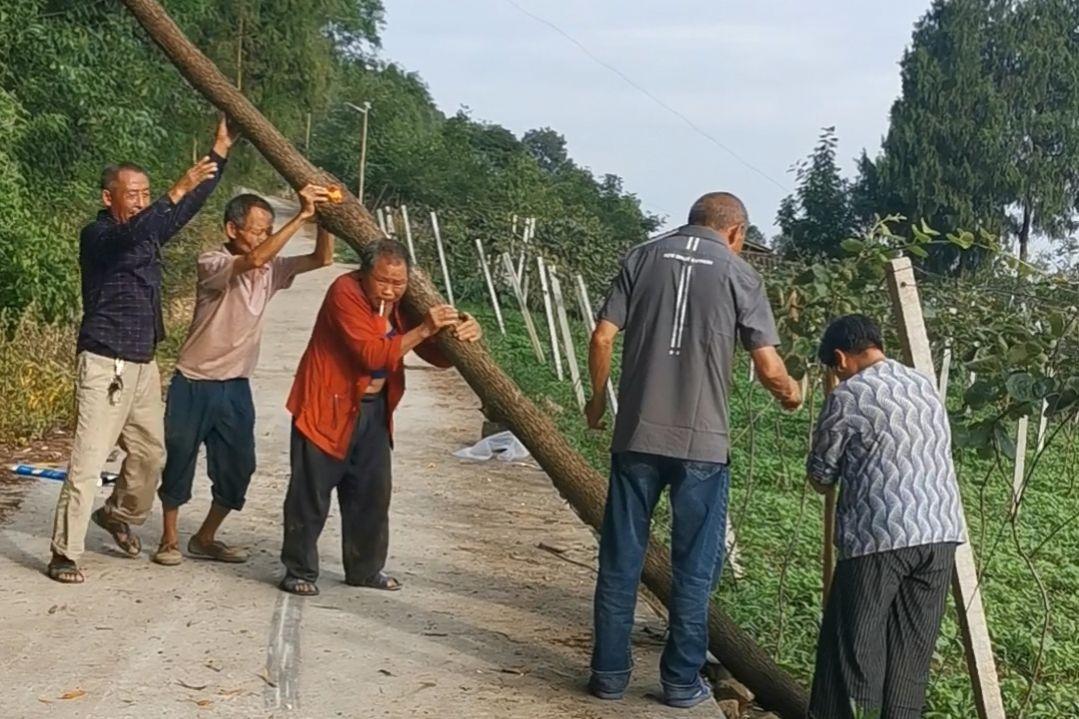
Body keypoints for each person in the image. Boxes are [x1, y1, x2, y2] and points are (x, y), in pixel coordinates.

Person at [584, 192, 802, 708]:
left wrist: (598, 400)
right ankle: (681, 682)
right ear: (736, 233)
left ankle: (609, 676)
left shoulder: (641, 256)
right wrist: (793, 393)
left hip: (637, 435)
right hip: (702, 445)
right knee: (694, 565)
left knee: (621, 557)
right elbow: (770, 368)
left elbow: (601, 336)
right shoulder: (738, 273)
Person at [48, 118, 235, 584]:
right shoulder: (100, 236)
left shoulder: (149, 229)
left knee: (150, 456)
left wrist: (218, 154)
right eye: (131, 194)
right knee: (89, 460)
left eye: (145, 193)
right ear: (108, 198)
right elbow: (137, 232)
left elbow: (186, 206)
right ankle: (64, 553)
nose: (140, 201)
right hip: (104, 363)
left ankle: (118, 515)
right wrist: (174, 189)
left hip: (144, 364)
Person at [278, 238, 482, 596]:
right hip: (327, 404)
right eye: (382, 282)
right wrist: (422, 330)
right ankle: (299, 570)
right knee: (310, 494)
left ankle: (365, 568)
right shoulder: (344, 291)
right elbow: (372, 355)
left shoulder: (404, 304)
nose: (389, 291)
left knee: (372, 494)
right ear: (363, 274)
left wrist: (465, 331)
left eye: (398, 284)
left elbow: (440, 356)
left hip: (374, 409)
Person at [152, 186, 334, 567]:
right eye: (257, 229)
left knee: (240, 466)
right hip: (194, 380)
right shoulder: (213, 261)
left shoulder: (273, 269)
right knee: (180, 459)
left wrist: (324, 220)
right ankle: (169, 539)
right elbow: (250, 261)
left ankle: (205, 537)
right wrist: (299, 216)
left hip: (236, 384)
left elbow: (322, 258)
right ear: (232, 229)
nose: (263, 237)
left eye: (268, 231)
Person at [807, 314, 966, 719]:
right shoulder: (922, 383)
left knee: (853, 652)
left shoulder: (849, 395)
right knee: (910, 655)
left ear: (840, 359)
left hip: (880, 535)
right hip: (939, 534)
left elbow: (821, 473)